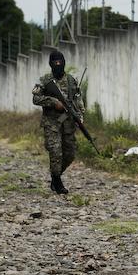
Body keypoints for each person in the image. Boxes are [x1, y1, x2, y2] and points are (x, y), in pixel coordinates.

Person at [31, 50, 84, 194]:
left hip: (68, 123)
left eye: (60, 63)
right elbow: (35, 98)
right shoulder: (45, 80)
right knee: (55, 152)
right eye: (55, 63)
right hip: (51, 123)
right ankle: (57, 181)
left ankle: (55, 177)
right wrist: (53, 102)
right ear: (51, 64)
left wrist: (80, 115)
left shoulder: (71, 80)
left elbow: (78, 99)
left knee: (70, 154)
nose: (58, 66)